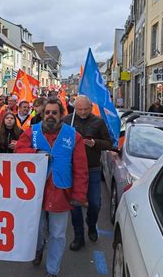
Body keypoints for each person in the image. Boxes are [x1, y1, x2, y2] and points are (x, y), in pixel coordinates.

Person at [15, 98, 88, 277]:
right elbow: (18, 151)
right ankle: (38, 248)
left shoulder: (73, 136)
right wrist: (36, 154)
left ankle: (52, 270)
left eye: (54, 113)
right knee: (36, 230)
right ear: (42, 114)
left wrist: (79, 194)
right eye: (47, 112)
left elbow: (80, 168)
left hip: (61, 191)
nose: (50, 116)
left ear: (61, 115)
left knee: (58, 234)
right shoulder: (31, 132)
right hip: (35, 192)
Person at [62, 95, 112, 251]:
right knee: (75, 205)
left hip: (92, 168)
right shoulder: (67, 121)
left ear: (91, 107)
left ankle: (91, 225)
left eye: (85, 109)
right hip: (73, 169)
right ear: (74, 108)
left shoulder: (98, 122)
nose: (82, 112)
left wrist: (94, 143)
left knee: (95, 203)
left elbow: (108, 143)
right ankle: (78, 236)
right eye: (79, 109)